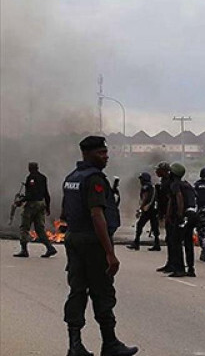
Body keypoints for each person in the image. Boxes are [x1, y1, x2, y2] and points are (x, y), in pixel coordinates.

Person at [61, 136, 138, 356]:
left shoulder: (71, 178)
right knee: (102, 292)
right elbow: (97, 216)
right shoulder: (94, 179)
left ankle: (75, 345)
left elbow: (65, 212)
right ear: (87, 153)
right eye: (101, 153)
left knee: (77, 291)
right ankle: (110, 344)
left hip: (74, 239)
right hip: (92, 243)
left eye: (106, 152)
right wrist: (110, 253)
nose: (106, 157)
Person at [13, 162, 57, 258]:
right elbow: (46, 193)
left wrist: (21, 200)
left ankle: (24, 250)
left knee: (24, 227)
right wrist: (48, 207)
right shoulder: (43, 177)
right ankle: (50, 248)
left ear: (30, 168)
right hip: (41, 204)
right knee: (39, 229)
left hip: (32, 205)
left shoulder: (31, 178)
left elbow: (31, 194)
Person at [166, 162, 197, 277]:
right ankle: (191, 268)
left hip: (184, 216)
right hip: (192, 215)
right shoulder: (188, 184)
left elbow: (179, 198)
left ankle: (179, 269)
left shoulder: (175, 185)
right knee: (188, 242)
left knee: (176, 242)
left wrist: (179, 215)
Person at [127, 172, 160, 251]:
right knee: (154, 226)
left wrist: (141, 208)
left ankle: (136, 243)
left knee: (140, 225)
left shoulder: (145, 186)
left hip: (148, 209)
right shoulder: (152, 186)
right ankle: (157, 244)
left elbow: (145, 197)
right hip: (154, 209)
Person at [155, 162, 174, 272]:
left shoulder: (169, 183)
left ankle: (173, 264)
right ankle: (170, 263)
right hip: (166, 214)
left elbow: (170, 200)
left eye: (159, 169)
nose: (157, 171)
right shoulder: (164, 182)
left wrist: (167, 214)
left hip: (171, 215)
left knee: (172, 240)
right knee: (169, 240)